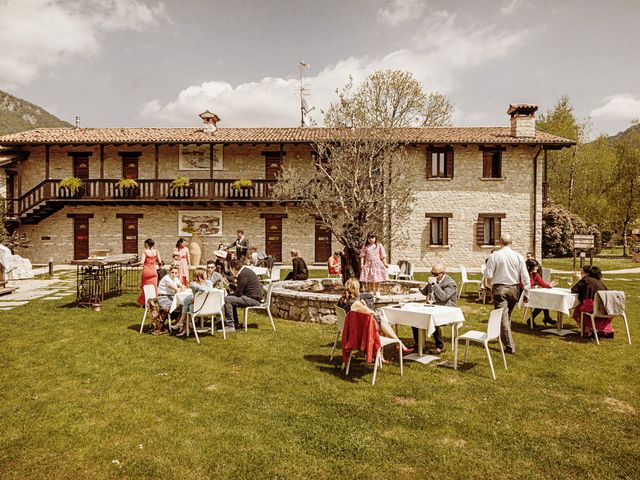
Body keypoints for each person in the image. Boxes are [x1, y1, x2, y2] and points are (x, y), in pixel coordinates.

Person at [337, 278, 412, 361]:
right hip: (358, 333)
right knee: (381, 322)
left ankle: (384, 354)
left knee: (381, 321)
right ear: (355, 289)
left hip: (349, 329)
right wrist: (365, 305)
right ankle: (398, 343)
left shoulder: (343, 300)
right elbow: (372, 312)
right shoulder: (356, 304)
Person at [484, 233, 531, 355]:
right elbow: (525, 276)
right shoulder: (518, 256)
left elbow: (488, 275)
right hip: (514, 289)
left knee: (503, 317)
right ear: (511, 243)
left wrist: (489, 286)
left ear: (500, 242)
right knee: (507, 315)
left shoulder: (494, 256)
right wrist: (527, 292)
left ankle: (510, 345)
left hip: (500, 288)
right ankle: (505, 337)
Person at [412, 263, 457, 354]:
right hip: (432, 306)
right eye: (432, 273)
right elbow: (426, 293)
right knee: (415, 318)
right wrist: (421, 288)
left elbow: (444, 297)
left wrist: (434, 284)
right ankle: (419, 343)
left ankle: (439, 346)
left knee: (433, 319)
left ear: (443, 273)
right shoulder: (432, 279)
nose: (433, 275)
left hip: (446, 309)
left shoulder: (451, 283)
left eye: (436, 274)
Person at [571, 265, 613, 338]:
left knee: (579, 308)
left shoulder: (586, 279)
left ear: (587, 273)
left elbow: (574, 290)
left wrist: (580, 280)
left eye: (582, 272)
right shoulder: (600, 281)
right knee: (584, 308)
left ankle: (588, 329)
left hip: (592, 305)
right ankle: (604, 330)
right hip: (605, 307)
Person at [223, 259, 263, 332]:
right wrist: (229, 284)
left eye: (230, 269)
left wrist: (229, 286)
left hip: (254, 300)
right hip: (252, 297)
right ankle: (235, 323)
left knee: (227, 299)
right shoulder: (245, 271)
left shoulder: (243, 274)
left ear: (233, 268)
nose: (230, 272)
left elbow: (238, 294)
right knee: (229, 297)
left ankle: (230, 326)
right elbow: (239, 291)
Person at [174, 267, 213, 336]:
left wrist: (195, 299)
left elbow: (206, 291)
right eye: (205, 274)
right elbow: (207, 290)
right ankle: (185, 327)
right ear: (199, 275)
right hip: (205, 307)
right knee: (189, 304)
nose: (207, 275)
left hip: (202, 307)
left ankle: (182, 323)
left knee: (187, 302)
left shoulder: (208, 283)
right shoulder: (193, 284)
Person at [526, 259, 558, 327]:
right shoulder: (524, 275)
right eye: (535, 266)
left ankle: (545, 318)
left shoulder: (535, 274)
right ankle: (546, 318)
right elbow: (522, 285)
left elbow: (543, 284)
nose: (537, 268)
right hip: (523, 295)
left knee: (544, 300)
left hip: (531, 293)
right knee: (542, 302)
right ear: (530, 267)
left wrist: (549, 285)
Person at [136, 238, 161, 305]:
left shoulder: (145, 252)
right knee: (154, 287)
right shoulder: (156, 251)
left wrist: (134, 264)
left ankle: (144, 302)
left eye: (144, 243)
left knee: (145, 287)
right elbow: (160, 261)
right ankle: (152, 301)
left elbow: (141, 262)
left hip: (146, 271)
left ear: (146, 244)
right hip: (153, 271)